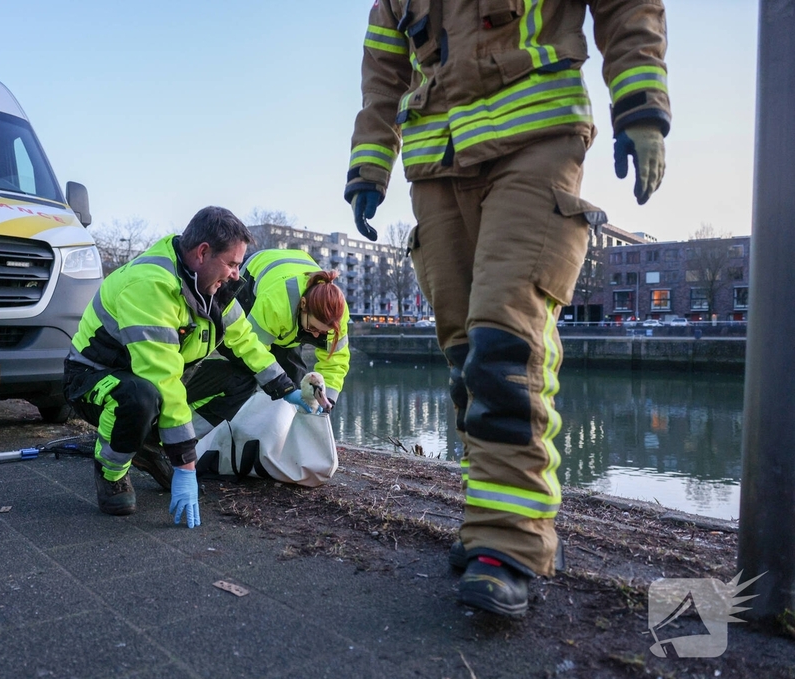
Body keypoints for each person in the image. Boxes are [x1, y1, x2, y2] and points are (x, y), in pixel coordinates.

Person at [345, 1, 670, 616]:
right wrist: (368, 164)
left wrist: (641, 103)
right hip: (437, 163)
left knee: (505, 347)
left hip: (534, 143)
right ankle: (488, 519)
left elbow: (628, 7)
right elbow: (382, 72)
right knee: (468, 359)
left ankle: (510, 542)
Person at [63, 207, 313, 528]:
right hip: (94, 380)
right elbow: (162, 376)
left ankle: (151, 445)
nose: (238, 274)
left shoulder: (214, 289)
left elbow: (247, 343)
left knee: (241, 380)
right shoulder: (150, 286)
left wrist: (285, 388)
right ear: (202, 253)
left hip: (153, 380)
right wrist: (185, 466)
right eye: (233, 264)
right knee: (140, 396)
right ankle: (111, 471)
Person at [184, 248, 351, 437]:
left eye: (323, 333)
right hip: (251, 287)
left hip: (289, 316)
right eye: (313, 328)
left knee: (295, 382)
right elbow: (252, 350)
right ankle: (211, 434)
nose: (315, 336)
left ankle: (285, 440)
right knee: (246, 379)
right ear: (303, 305)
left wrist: (327, 401)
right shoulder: (276, 303)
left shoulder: (337, 314)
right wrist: (279, 387)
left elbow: (336, 362)